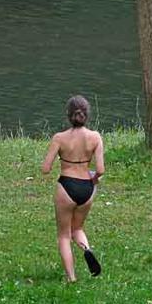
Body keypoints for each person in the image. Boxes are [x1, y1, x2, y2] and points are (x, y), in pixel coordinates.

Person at [40, 95, 105, 282]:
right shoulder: (95, 137)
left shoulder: (59, 138)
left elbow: (45, 169)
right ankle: (87, 248)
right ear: (87, 115)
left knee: (63, 235)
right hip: (87, 188)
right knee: (77, 228)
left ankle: (71, 277)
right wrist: (93, 179)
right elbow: (100, 170)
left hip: (67, 186)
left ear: (68, 115)